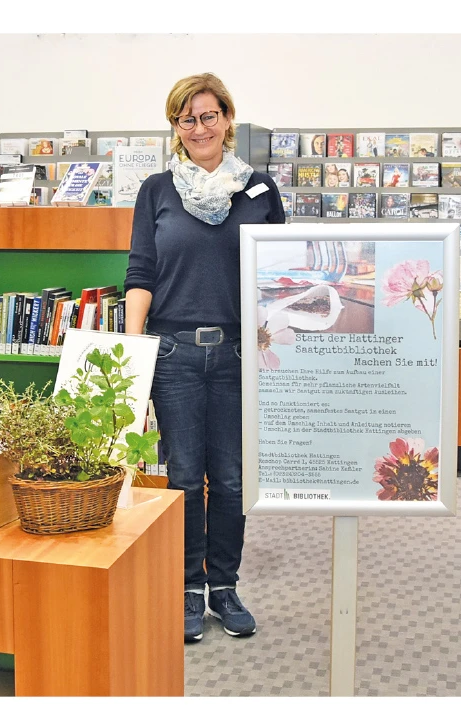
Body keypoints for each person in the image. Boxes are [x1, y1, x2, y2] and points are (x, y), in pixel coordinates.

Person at [124, 73, 285, 644]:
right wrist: (134, 352)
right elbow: (140, 273)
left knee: (234, 480)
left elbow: (278, 277)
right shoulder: (156, 190)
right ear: (176, 126)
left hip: (241, 353)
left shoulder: (259, 190)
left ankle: (225, 586)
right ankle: (189, 587)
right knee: (186, 477)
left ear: (227, 119)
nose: (198, 128)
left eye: (208, 115)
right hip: (174, 355)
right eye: (186, 118)